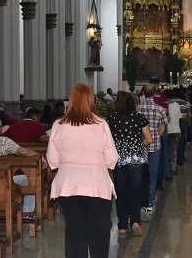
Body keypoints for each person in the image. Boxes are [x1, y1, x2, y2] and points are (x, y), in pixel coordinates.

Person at [47, 84, 119, 257]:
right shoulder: (101, 124)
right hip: (96, 186)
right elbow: (111, 160)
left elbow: (52, 161)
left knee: (74, 234)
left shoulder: (59, 125)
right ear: (90, 100)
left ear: (71, 101)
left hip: (68, 186)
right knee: (99, 233)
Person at [107, 91, 153, 236]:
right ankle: (135, 221)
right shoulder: (139, 118)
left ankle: (121, 225)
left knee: (120, 193)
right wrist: (140, 144)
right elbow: (149, 139)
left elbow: (107, 139)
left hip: (119, 160)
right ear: (133, 104)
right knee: (135, 190)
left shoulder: (111, 118)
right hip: (136, 160)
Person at [0, 115, 39, 212]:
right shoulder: (4, 141)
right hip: (5, 180)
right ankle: (27, 212)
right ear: (0, 129)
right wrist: (40, 157)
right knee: (31, 180)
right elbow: (24, 152)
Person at [138, 84, 168, 210]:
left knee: (140, 173)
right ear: (155, 93)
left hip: (140, 145)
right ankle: (149, 202)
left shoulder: (137, 108)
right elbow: (163, 127)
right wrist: (156, 136)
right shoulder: (160, 109)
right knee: (153, 173)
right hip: (155, 145)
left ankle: (141, 200)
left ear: (144, 92)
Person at [167, 90, 182, 175]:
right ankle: (173, 167)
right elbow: (179, 117)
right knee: (174, 149)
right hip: (176, 129)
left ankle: (167, 167)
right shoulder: (176, 105)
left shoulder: (164, 105)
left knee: (167, 150)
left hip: (168, 130)